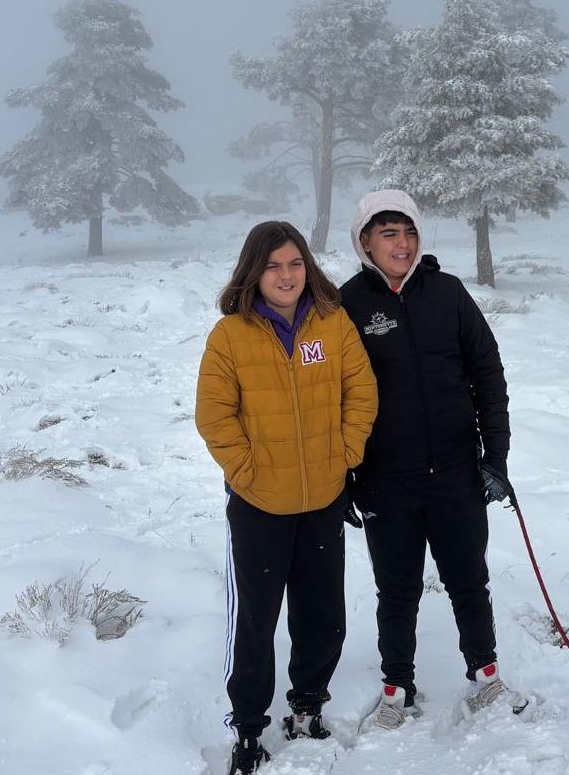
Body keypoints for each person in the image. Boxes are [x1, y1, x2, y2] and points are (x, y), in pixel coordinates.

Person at [196, 221, 378, 774]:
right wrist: (247, 472)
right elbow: (215, 416)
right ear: (254, 270)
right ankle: (249, 728)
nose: (286, 275)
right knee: (256, 621)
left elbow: (361, 391)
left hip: (323, 498)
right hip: (258, 505)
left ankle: (307, 705)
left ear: (308, 267)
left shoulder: (332, 321)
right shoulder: (230, 336)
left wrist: (344, 454)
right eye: (273, 265)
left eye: (294, 263)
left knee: (322, 614)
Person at [339, 190, 520, 730]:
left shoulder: (448, 293)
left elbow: (488, 375)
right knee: (397, 588)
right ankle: (396, 690)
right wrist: (344, 474)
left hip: (457, 471)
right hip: (385, 479)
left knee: (468, 579)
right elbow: (333, 397)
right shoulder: (347, 304)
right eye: (388, 232)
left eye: (409, 231)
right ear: (364, 240)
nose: (401, 242)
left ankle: (485, 678)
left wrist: (497, 457)